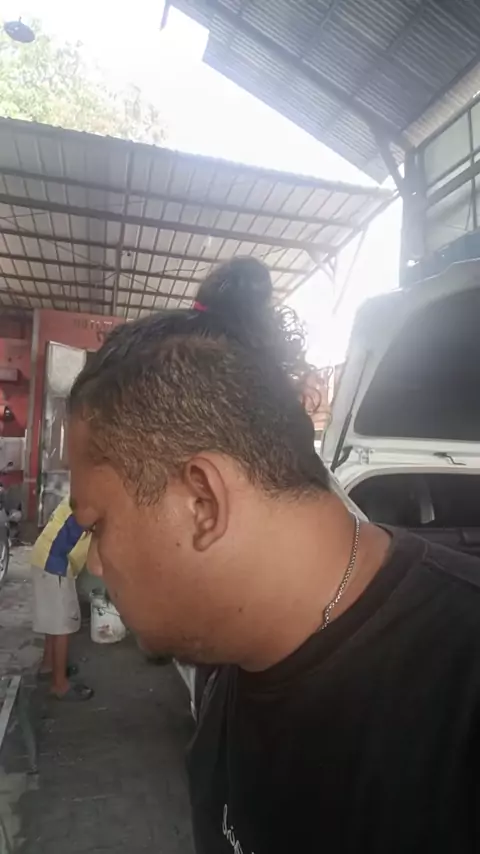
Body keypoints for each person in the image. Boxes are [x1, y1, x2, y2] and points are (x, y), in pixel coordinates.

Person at [67, 257, 480, 852]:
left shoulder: (460, 704)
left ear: (202, 503)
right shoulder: (230, 661)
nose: (96, 564)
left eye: (97, 525)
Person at [32, 496, 93, 701]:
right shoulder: (90, 501)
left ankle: (49, 666)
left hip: (44, 557)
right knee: (62, 625)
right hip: (54, 562)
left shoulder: (80, 493)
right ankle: (59, 685)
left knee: (53, 619)